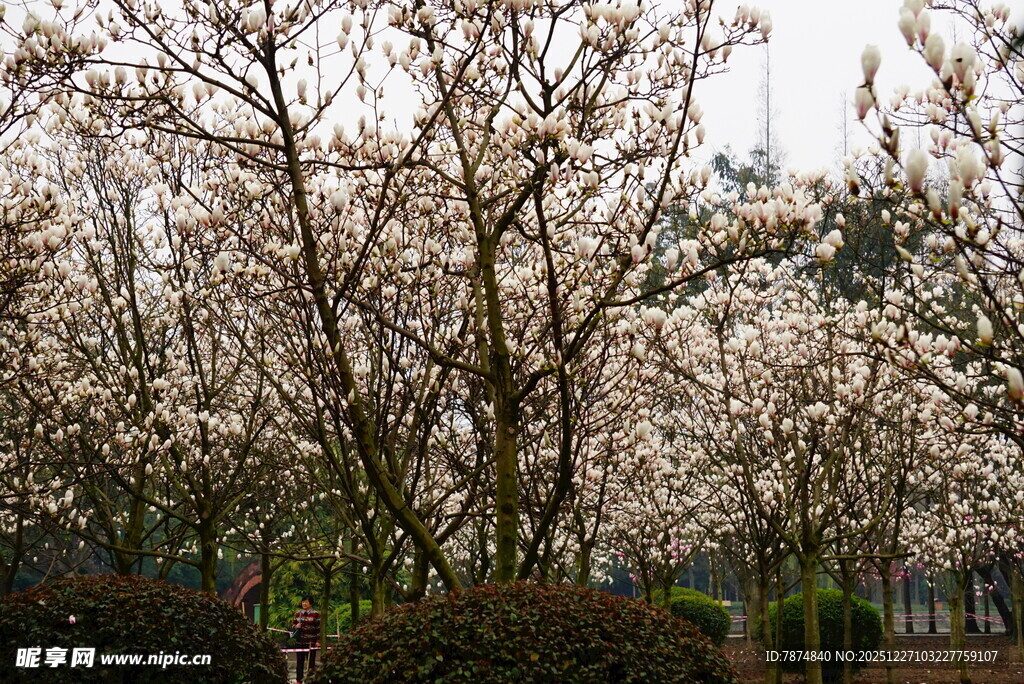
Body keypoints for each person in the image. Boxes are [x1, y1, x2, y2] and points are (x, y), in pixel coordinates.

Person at [290, 596, 320, 683]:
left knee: (311, 663)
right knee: (299, 662)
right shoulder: (298, 613)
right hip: (300, 642)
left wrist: (318, 641)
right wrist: (296, 626)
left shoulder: (316, 614)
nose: (304, 603)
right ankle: (299, 680)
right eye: (303, 602)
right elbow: (292, 625)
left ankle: (310, 680)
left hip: (311, 642)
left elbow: (318, 628)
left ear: (310, 603)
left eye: (306, 602)